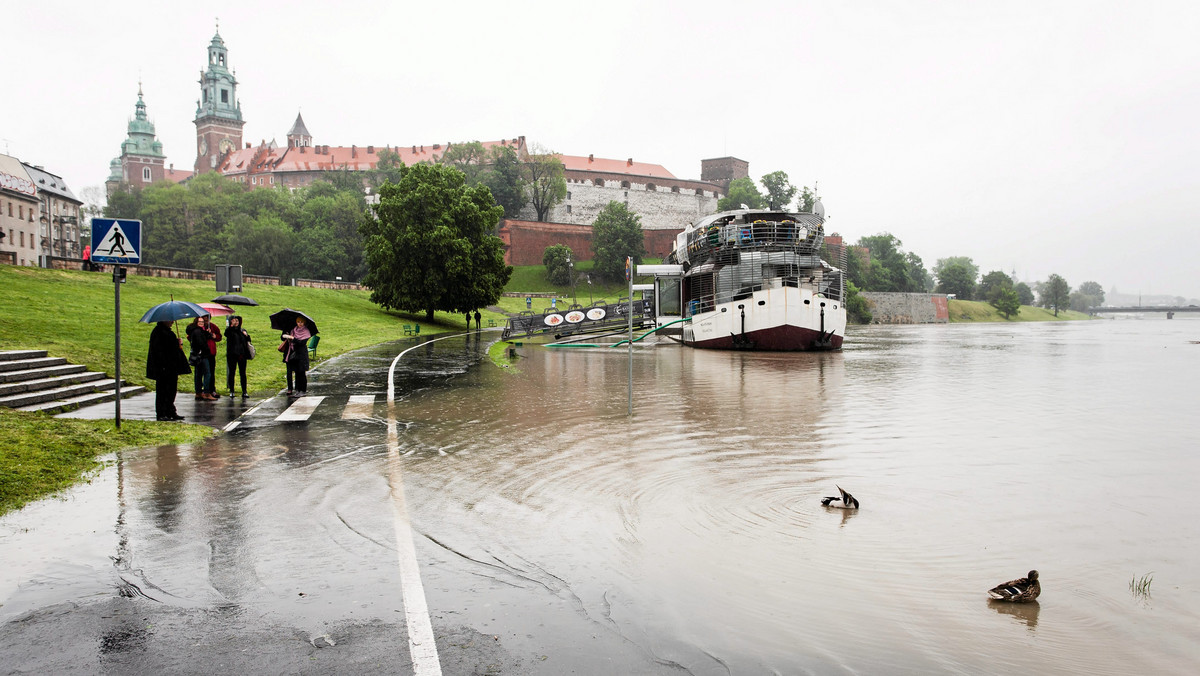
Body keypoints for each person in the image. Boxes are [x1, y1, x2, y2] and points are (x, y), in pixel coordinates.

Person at [146, 320, 190, 421]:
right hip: (164, 367)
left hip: (171, 367)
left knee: (171, 390)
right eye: (170, 320)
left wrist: (178, 344)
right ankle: (162, 413)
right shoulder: (158, 332)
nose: (172, 322)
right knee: (163, 391)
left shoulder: (168, 332)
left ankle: (170, 411)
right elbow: (160, 350)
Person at [186, 316, 221, 400]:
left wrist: (210, 334)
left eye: (203, 321)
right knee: (207, 373)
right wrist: (206, 350)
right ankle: (206, 392)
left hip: (199, 354)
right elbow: (201, 342)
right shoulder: (197, 331)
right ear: (196, 322)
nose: (203, 322)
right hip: (202, 355)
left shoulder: (199, 330)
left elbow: (217, 336)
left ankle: (199, 392)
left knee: (199, 374)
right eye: (200, 321)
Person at [281, 316, 313, 396]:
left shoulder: (306, 331)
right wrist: (288, 337)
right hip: (294, 353)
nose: (300, 324)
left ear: (304, 323)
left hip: (302, 353)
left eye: (301, 322)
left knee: (302, 372)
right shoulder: (294, 330)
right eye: (298, 322)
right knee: (297, 372)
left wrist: (293, 339)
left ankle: (303, 390)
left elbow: (302, 343)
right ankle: (297, 389)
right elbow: (287, 338)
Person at [224, 315, 252, 398]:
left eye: (237, 321)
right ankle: (232, 390)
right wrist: (231, 326)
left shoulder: (242, 330)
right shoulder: (230, 331)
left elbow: (248, 341)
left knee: (243, 373)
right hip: (232, 355)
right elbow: (226, 333)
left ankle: (244, 391)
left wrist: (246, 335)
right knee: (232, 372)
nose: (236, 322)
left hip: (242, 355)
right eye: (234, 321)